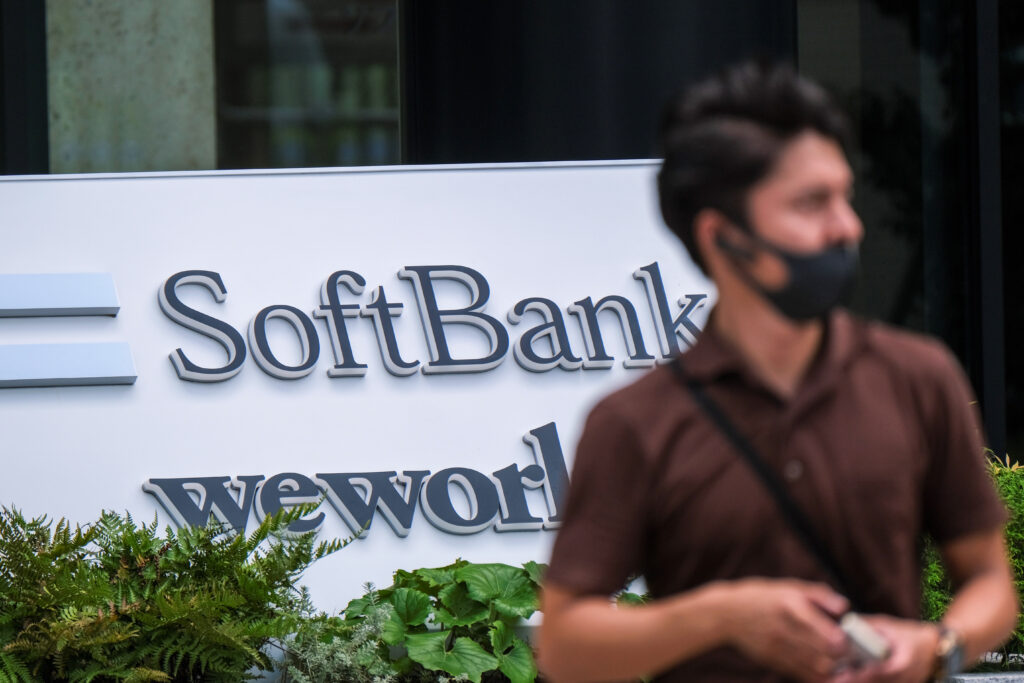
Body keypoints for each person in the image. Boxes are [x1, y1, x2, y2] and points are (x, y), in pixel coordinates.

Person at [537, 62, 1017, 683]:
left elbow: (990, 583)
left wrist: (937, 646)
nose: (848, 226)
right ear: (722, 236)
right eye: (811, 203)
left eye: (844, 196)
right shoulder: (634, 422)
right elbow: (566, 647)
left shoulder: (918, 377)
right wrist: (721, 616)